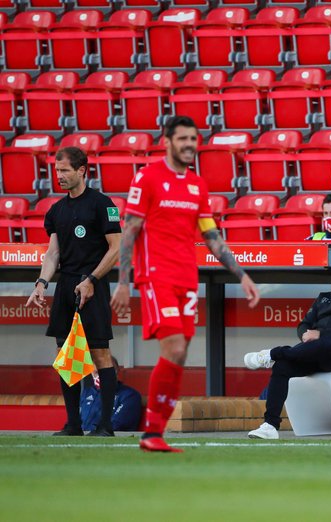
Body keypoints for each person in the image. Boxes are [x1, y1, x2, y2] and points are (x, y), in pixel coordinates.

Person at [110, 116, 260, 453]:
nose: (190, 144)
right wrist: (123, 282)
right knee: (174, 347)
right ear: (167, 141)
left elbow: (212, 237)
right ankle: (151, 432)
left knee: (180, 354)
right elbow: (130, 231)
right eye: (183, 138)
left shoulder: (197, 185)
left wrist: (242, 275)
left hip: (186, 280)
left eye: (194, 138)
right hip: (155, 276)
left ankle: (154, 435)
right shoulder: (147, 178)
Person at [26, 146, 122, 437]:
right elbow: (53, 253)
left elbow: (116, 249)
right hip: (66, 284)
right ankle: (73, 424)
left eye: (65, 170)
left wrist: (91, 278)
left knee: (100, 353)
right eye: (57, 171)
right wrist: (42, 283)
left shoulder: (103, 204)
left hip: (93, 284)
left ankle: (105, 426)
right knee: (64, 354)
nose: (60, 176)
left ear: (82, 171)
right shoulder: (57, 210)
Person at [243, 250, 331, 440]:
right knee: (283, 367)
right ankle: (270, 425)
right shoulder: (325, 297)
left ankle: (273, 354)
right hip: (314, 353)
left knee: (330, 340)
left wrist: (321, 334)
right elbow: (303, 326)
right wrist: (308, 337)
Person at [81, 356, 142, 432]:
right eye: (97, 372)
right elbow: (76, 421)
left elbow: (116, 426)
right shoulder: (87, 392)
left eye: (106, 372)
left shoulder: (129, 396)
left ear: (117, 371)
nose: (102, 376)